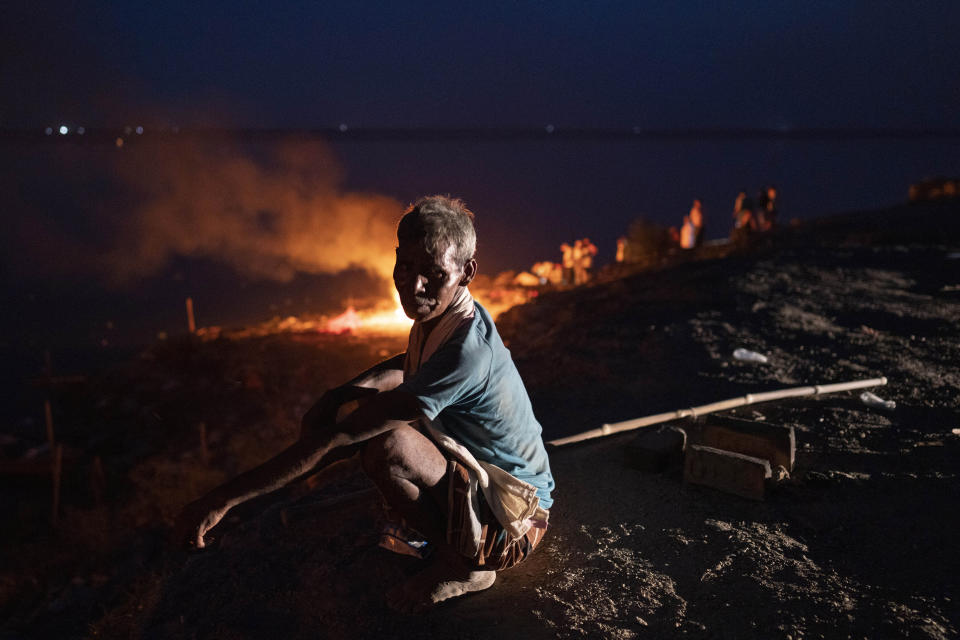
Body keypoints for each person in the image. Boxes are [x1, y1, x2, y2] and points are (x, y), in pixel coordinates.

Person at [173, 196, 554, 613]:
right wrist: (338, 394)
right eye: (406, 267)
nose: (414, 286)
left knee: (388, 447)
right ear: (396, 257)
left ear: (467, 272)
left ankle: (467, 567)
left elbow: (344, 439)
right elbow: (408, 366)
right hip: (491, 492)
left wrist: (223, 500)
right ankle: (446, 534)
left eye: (433, 274)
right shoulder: (449, 316)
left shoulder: (467, 351)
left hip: (513, 524)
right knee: (378, 430)